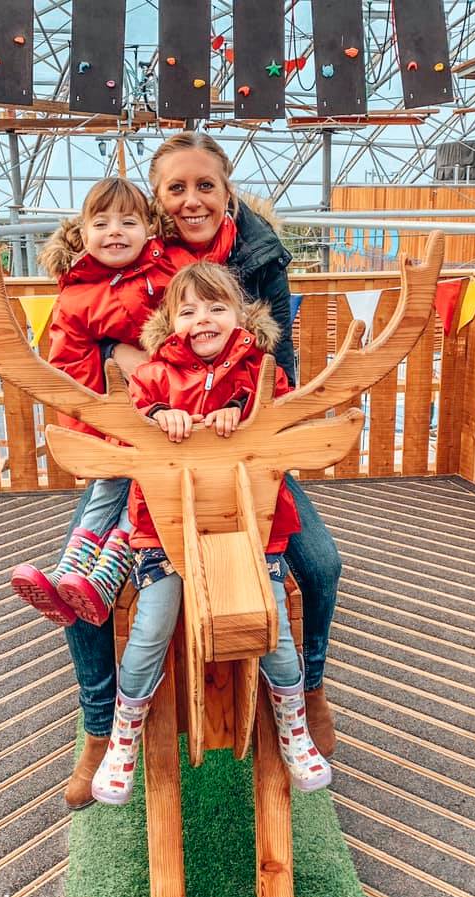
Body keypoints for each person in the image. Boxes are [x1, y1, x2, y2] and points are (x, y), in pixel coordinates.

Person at [62, 133, 341, 810]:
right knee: (79, 580)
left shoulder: (259, 256)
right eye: (176, 189)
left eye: (204, 186)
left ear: (227, 189)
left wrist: (241, 409)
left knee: (322, 563)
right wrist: (152, 396)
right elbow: (101, 350)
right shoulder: (136, 261)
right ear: (157, 203)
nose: (192, 201)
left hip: (237, 444)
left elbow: (285, 363)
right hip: (153, 444)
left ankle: (307, 688)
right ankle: (102, 728)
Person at [91, 262, 331, 804]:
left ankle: (294, 726)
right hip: (165, 528)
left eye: (217, 307)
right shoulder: (152, 375)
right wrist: (159, 417)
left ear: (239, 315)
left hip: (249, 530)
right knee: (151, 622)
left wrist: (238, 415)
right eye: (190, 310)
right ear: (171, 322)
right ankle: (122, 737)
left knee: (270, 618)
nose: (205, 319)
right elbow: (130, 424)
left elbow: (280, 416)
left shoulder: (259, 370)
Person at [9, 178, 177, 628]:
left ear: (150, 230)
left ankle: (104, 578)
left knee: (139, 498)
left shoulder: (165, 276)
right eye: (101, 223)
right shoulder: (75, 292)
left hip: (165, 413)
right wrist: (115, 380)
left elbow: (184, 336)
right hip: (112, 418)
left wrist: (154, 372)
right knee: (107, 491)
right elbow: (67, 363)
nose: (114, 231)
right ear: (82, 232)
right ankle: (69, 571)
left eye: (128, 221)